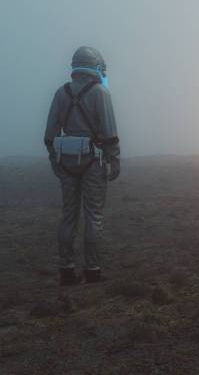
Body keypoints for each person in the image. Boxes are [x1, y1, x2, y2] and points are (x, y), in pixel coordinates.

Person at [44, 46, 120, 285]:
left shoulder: (60, 93)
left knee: (68, 216)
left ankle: (66, 270)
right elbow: (109, 133)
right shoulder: (100, 93)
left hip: (66, 161)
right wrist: (114, 159)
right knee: (93, 215)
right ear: (96, 66)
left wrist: (55, 160)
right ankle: (93, 271)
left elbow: (49, 135)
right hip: (93, 162)